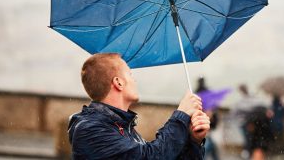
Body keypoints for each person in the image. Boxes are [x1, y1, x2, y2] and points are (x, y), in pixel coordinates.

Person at [68, 53, 210, 159]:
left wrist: (193, 140)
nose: (134, 80)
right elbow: (152, 156)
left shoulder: (121, 126)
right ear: (119, 83)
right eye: (130, 74)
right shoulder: (91, 129)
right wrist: (182, 114)